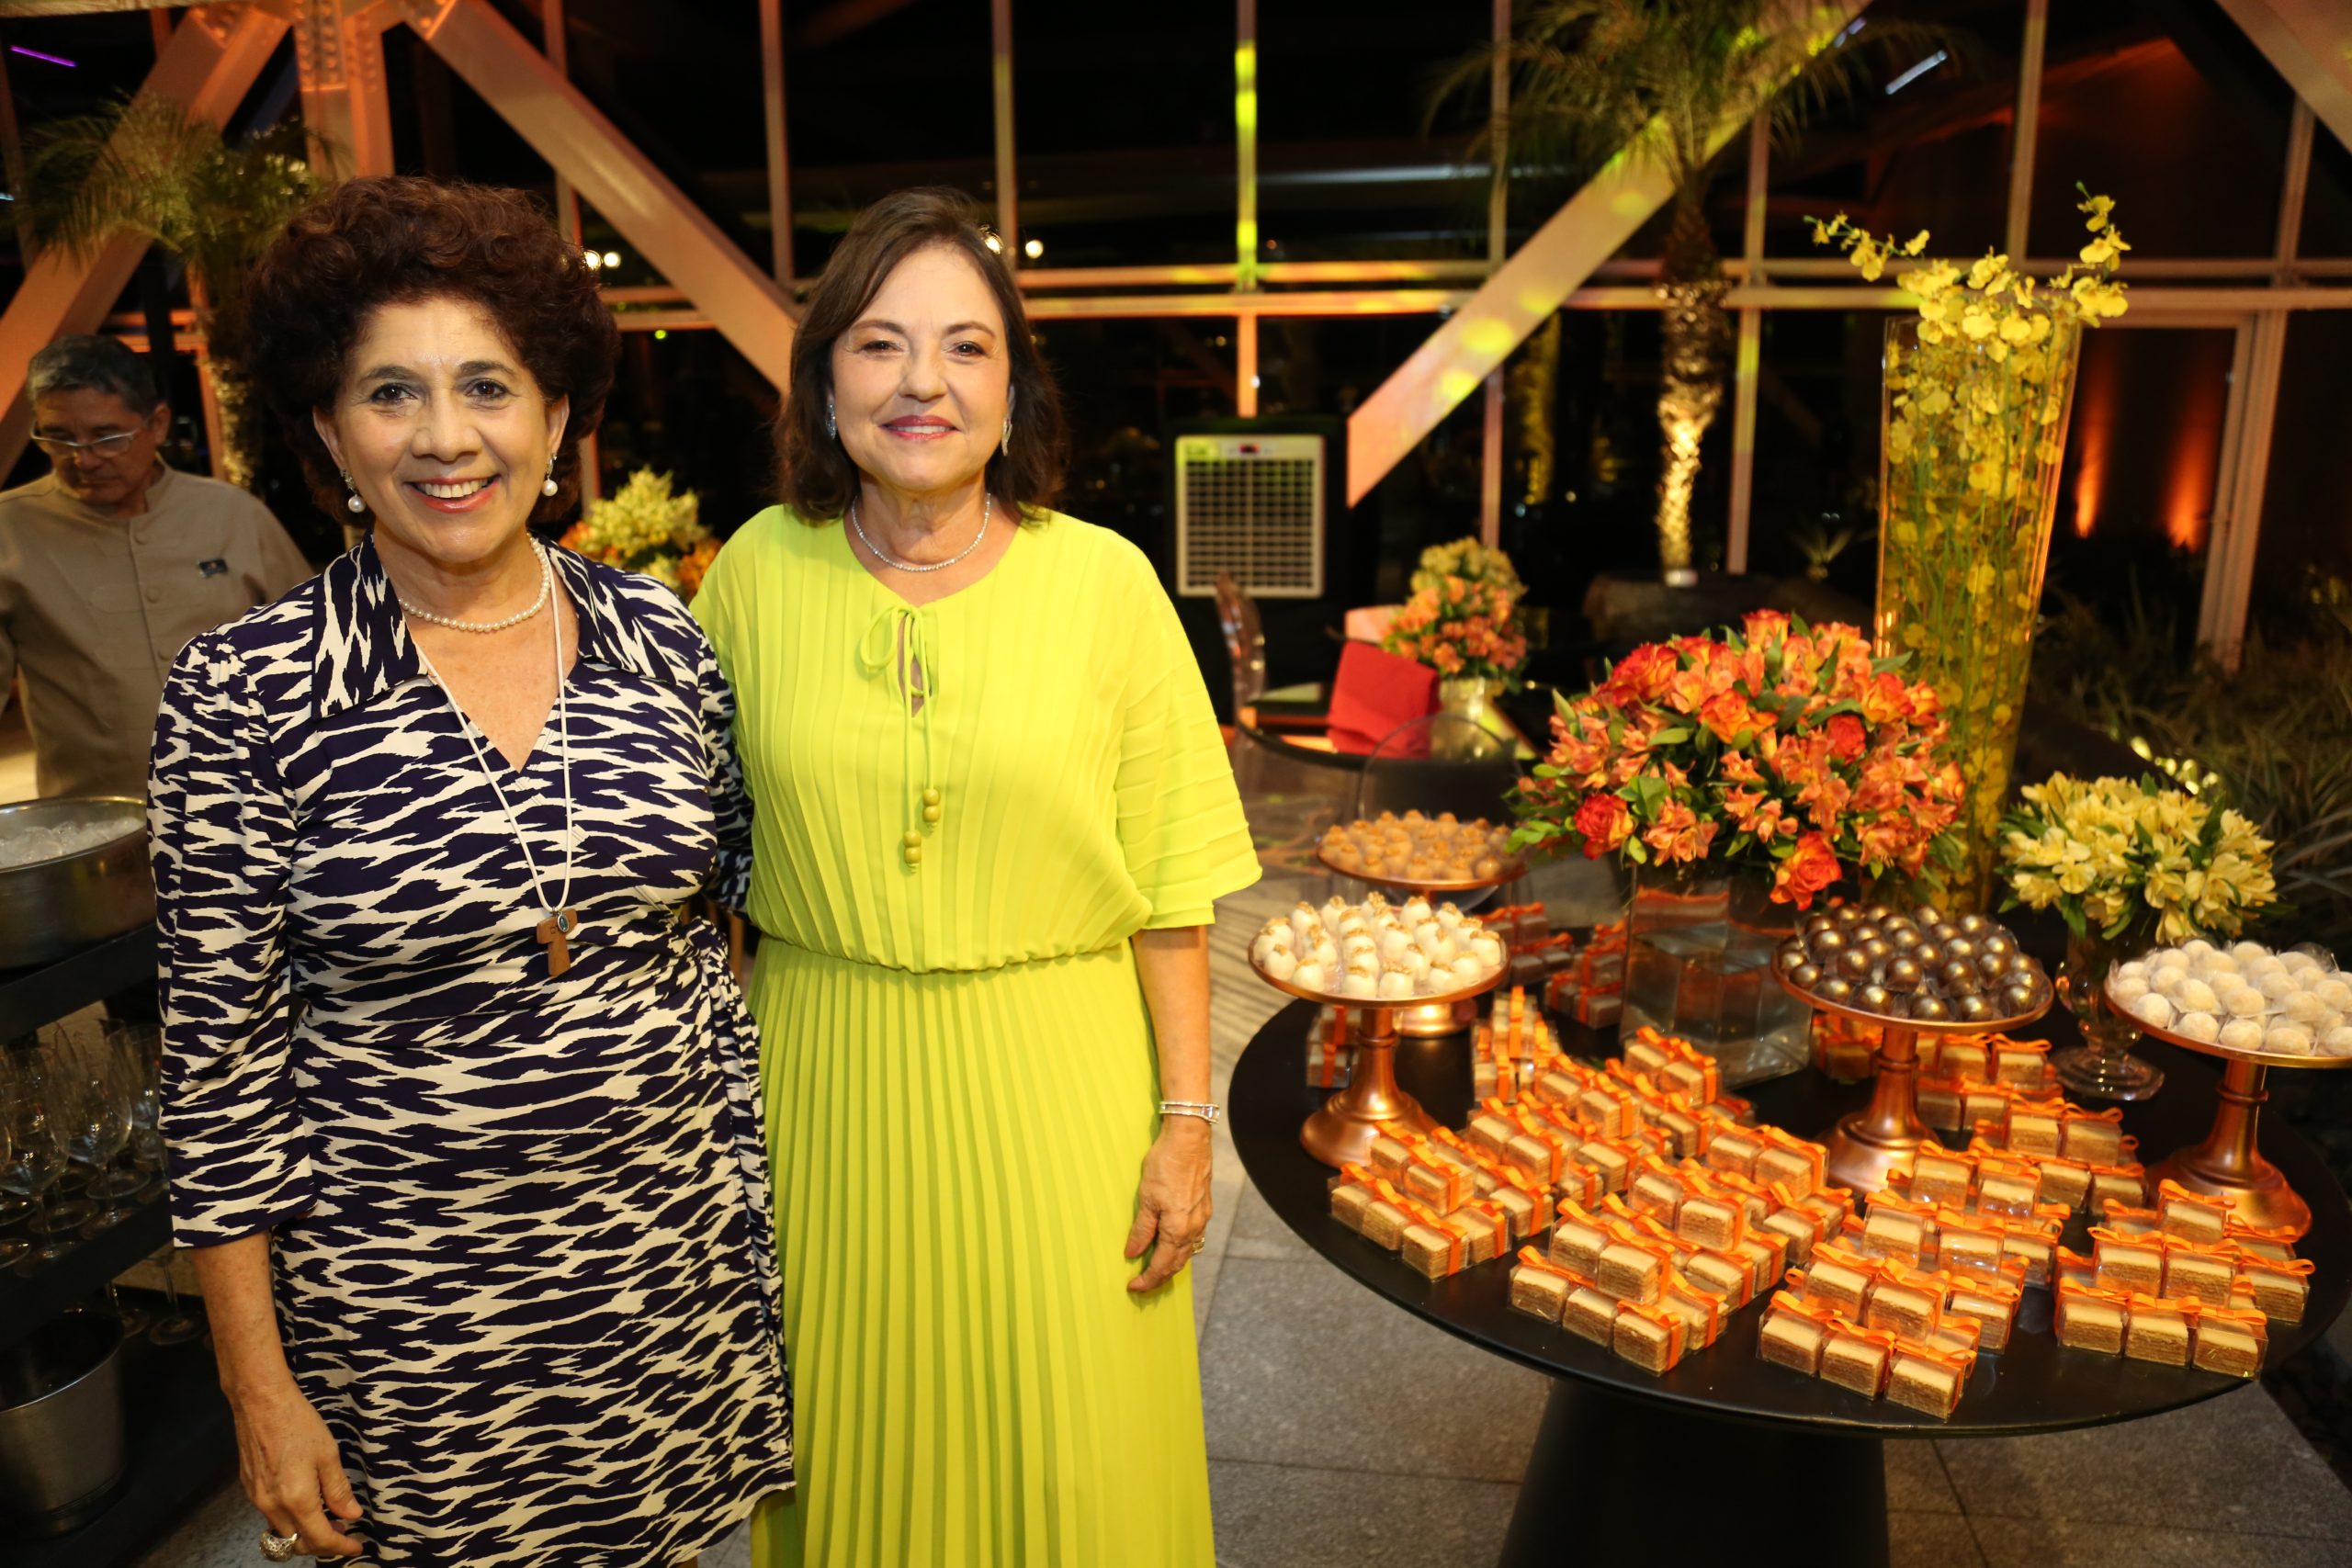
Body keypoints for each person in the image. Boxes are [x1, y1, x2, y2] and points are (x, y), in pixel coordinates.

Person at [150, 176, 791, 1568]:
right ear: (330, 429)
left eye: (488, 387)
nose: (446, 436)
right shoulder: (249, 688)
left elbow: (729, 917)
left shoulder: (658, 636)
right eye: (392, 393)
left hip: (666, 1269)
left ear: (556, 418)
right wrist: (258, 1389)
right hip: (412, 1325)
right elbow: (218, 1070)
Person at [693, 186, 1258, 1568]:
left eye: (965, 346)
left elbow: (1171, 889)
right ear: (826, 383)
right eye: (880, 344)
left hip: (1060, 1085)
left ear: (1013, 389)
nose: (922, 383)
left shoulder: (1108, 584)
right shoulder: (753, 575)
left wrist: (1187, 1124)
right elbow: (690, 865)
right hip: (821, 1082)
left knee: (1073, 1458)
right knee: (850, 1439)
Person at [0, 334, 311, 798]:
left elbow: (314, 653)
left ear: (158, 424)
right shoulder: (10, 528)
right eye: (59, 438)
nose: (84, 459)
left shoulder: (232, 514)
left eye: (107, 437)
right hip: (98, 814)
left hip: (252, 802)